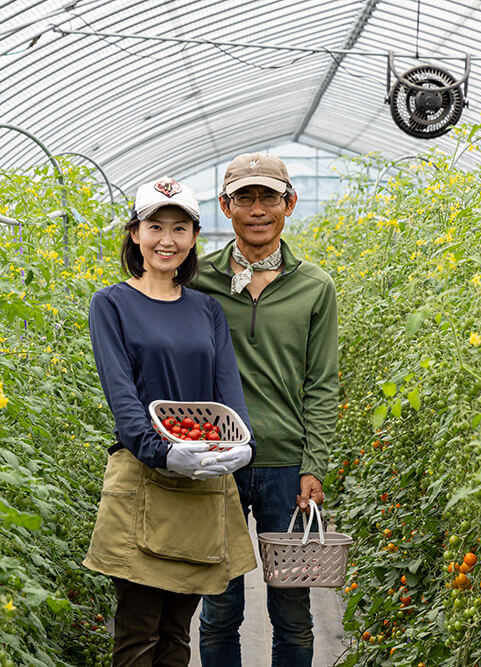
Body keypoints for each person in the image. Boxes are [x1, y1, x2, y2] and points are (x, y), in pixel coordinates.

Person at [83, 177, 258, 667]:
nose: (167, 239)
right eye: (154, 226)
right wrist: (162, 451)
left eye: (179, 228)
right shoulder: (111, 304)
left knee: (177, 634)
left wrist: (242, 443)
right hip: (143, 476)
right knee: (138, 633)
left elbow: (227, 388)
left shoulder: (207, 310)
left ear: (194, 237)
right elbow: (122, 395)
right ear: (134, 234)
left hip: (203, 476)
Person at [193, 153, 340, 667]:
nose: (258, 209)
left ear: (289, 204)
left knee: (293, 612)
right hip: (217, 462)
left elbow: (321, 383)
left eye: (269, 197)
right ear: (225, 206)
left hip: (286, 467)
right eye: (245, 198)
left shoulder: (314, 285)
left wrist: (313, 466)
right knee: (219, 607)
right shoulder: (198, 279)